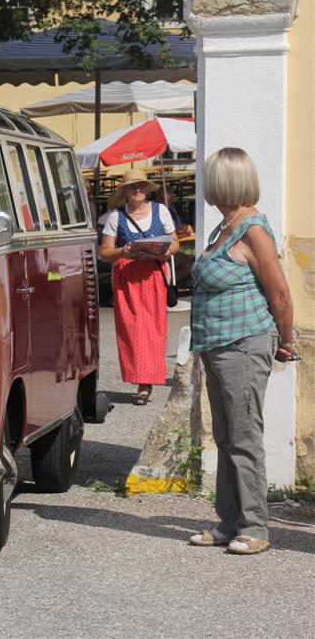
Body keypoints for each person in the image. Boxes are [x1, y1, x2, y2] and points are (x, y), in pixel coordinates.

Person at [186, 147, 296, 555]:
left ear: (225, 181)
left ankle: (255, 527)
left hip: (245, 344)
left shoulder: (252, 228)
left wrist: (286, 342)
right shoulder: (224, 225)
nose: (204, 185)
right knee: (226, 435)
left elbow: (280, 294)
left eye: (209, 177)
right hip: (217, 345)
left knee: (244, 435)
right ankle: (229, 521)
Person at [98, 170, 180, 405]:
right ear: (124, 191)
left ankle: (148, 380)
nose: (138, 190)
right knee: (133, 329)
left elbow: (175, 244)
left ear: (147, 189)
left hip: (153, 274)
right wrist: (122, 251)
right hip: (127, 277)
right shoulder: (116, 216)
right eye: (133, 187)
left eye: (141, 186)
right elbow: (105, 252)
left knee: (153, 328)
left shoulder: (160, 210)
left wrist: (163, 249)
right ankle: (140, 380)